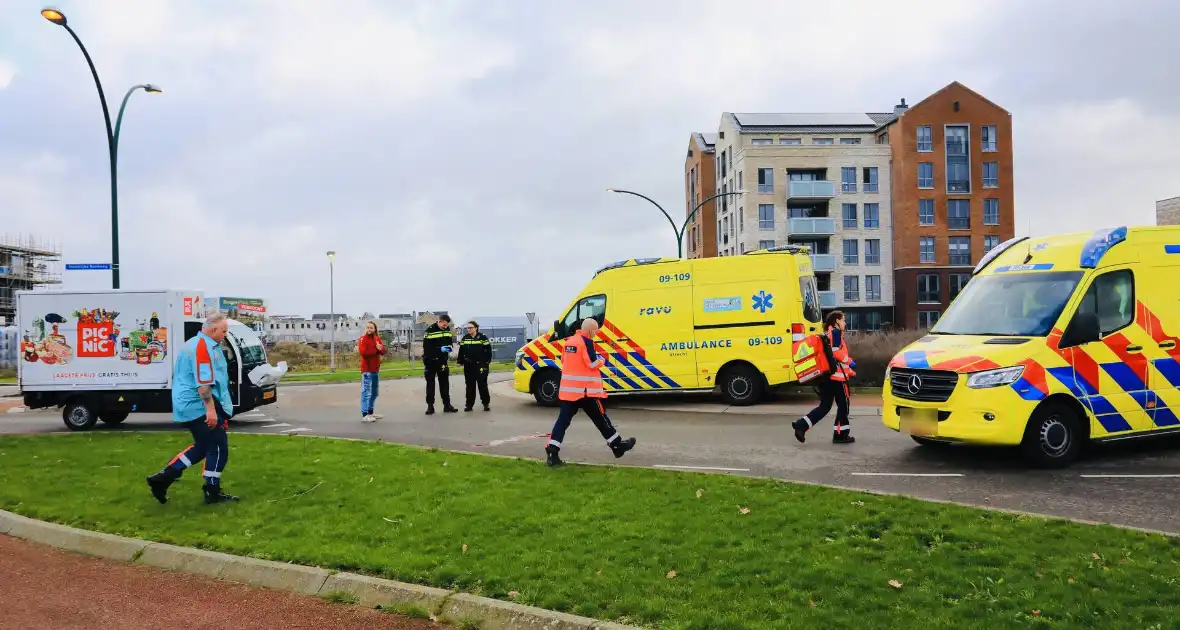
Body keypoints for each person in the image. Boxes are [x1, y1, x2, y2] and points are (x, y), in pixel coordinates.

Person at [145, 312, 240, 505]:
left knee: (203, 447)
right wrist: (211, 411)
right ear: (213, 330)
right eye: (223, 331)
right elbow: (203, 384)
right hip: (199, 406)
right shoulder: (202, 348)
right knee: (218, 448)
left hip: (188, 405)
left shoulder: (193, 344)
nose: (225, 335)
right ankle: (212, 491)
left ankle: (163, 478)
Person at [544, 317, 636, 467]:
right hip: (585, 391)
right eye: (595, 331)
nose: (596, 333)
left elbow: (564, 362)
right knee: (601, 418)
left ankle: (552, 451)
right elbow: (592, 363)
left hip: (569, 392)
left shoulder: (570, 342)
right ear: (590, 330)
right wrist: (602, 359)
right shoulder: (586, 342)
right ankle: (617, 446)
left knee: (562, 422)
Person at [792, 310, 857, 444]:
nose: (845, 322)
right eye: (843, 320)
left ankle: (801, 425)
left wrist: (848, 370)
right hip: (838, 379)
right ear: (837, 321)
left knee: (825, 406)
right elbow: (835, 351)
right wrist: (850, 361)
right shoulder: (836, 333)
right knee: (843, 406)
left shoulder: (828, 334)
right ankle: (840, 435)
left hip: (827, 377)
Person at [422, 314, 459, 415]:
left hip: (443, 361)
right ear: (439, 321)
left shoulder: (447, 330)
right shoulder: (430, 331)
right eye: (444, 325)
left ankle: (447, 405)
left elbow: (450, 345)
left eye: (447, 325)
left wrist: (447, 349)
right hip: (431, 361)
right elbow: (427, 348)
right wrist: (440, 349)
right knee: (430, 384)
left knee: (445, 384)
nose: (445, 327)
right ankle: (430, 406)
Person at [457, 320, 493, 412]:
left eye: (470, 328)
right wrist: (460, 361)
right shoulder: (465, 338)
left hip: (481, 365)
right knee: (469, 386)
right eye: (467, 328)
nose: (469, 329)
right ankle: (469, 405)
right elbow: (461, 351)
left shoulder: (482, 337)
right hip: (469, 366)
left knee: (482, 385)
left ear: (476, 328)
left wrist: (487, 362)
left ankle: (486, 404)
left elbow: (488, 350)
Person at [358, 320, 386, 422]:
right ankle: (365, 414)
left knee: (374, 393)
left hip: (375, 369)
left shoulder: (377, 339)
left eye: (371, 328)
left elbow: (383, 351)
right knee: (366, 392)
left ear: (375, 329)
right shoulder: (362, 339)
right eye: (368, 327)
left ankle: (370, 412)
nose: (369, 329)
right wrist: (376, 349)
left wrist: (380, 348)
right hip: (367, 370)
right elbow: (364, 352)